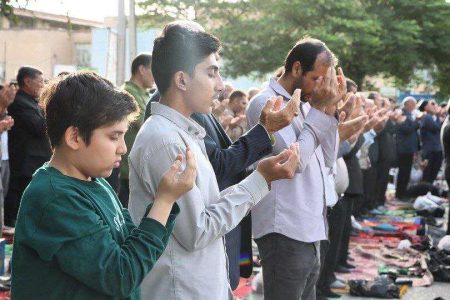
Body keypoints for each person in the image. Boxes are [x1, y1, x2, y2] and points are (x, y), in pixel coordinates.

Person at [128, 23, 300, 300]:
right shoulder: (166, 141)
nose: (220, 86)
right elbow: (198, 230)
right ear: (181, 80)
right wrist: (260, 179)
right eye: (211, 73)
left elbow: (207, 209)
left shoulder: (184, 132)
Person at [11, 71, 197, 300]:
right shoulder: (55, 196)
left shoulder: (96, 182)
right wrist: (164, 200)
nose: (123, 148)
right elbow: (121, 276)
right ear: (75, 137)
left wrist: (164, 201)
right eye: (113, 137)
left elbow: (132, 248)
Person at [246, 37, 346, 300]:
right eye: (316, 78)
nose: (319, 87)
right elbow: (294, 162)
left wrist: (330, 110)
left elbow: (327, 157)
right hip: (285, 229)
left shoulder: (305, 106)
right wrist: (318, 114)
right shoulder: (266, 103)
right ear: (297, 69)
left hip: (310, 227)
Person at [4, 66, 51, 227]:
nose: (42, 85)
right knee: (19, 195)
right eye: (40, 81)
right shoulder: (19, 102)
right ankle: (12, 225)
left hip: (36, 159)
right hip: (25, 160)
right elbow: (38, 127)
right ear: (27, 81)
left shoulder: (33, 102)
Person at [118, 53, 154, 207]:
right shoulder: (128, 92)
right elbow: (144, 123)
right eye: (153, 69)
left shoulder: (145, 94)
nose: (156, 75)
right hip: (129, 167)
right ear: (142, 69)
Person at [396, 96, 420, 200]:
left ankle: (404, 192)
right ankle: (400, 193)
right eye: (412, 103)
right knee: (403, 172)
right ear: (407, 104)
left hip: (410, 149)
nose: (414, 106)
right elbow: (405, 129)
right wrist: (416, 122)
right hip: (403, 148)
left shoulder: (411, 114)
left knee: (407, 172)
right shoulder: (401, 113)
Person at [418, 99, 442, 183]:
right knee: (428, 173)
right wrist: (439, 116)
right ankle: (424, 192)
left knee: (434, 172)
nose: (435, 106)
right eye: (432, 104)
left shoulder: (433, 117)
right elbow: (437, 127)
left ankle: (429, 191)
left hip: (436, 149)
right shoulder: (426, 117)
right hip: (429, 150)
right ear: (425, 107)